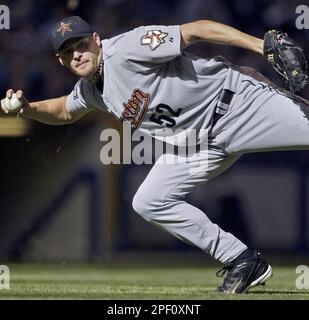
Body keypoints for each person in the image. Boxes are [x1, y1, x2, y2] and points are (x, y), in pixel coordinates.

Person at [1, 16, 309, 294]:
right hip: (200, 143)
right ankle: (241, 260)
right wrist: (29, 108)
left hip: (239, 105)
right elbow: (65, 110)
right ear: (60, 60)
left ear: (95, 40)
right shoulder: (93, 89)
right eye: (68, 52)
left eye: (80, 45)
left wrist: (260, 45)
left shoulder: (128, 48)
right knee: (149, 200)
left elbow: (196, 30)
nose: (77, 55)